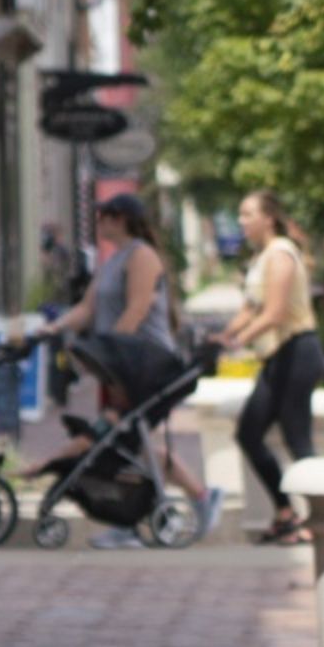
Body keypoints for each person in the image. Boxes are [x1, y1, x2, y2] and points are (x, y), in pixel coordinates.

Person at [43, 191, 213, 545]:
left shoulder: (142, 256)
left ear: (119, 219)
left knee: (124, 438)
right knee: (130, 443)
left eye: (103, 216)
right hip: (116, 368)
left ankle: (137, 520)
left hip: (144, 367)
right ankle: (190, 499)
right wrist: (54, 328)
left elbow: (136, 309)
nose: (98, 223)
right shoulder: (112, 260)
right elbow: (87, 308)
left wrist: (108, 352)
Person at [220, 189, 324, 545]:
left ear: (268, 218)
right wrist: (223, 336)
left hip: (298, 352)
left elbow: (275, 313)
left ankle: (321, 519)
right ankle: (285, 512)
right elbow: (250, 308)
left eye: (247, 214)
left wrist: (240, 341)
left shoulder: (281, 253)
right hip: (279, 356)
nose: (241, 221)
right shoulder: (262, 256)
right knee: (249, 433)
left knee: (298, 439)